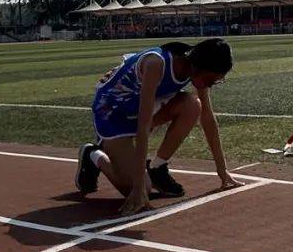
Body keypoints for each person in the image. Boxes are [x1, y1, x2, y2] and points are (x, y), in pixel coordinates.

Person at [75, 37, 238, 215]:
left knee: (192, 105)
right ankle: (94, 155)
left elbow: (207, 117)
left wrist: (222, 170)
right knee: (141, 188)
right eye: (210, 80)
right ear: (201, 66)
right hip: (112, 113)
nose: (211, 85)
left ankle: (157, 167)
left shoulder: (195, 72)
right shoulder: (156, 64)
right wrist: (138, 188)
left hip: (139, 109)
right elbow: (143, 128)